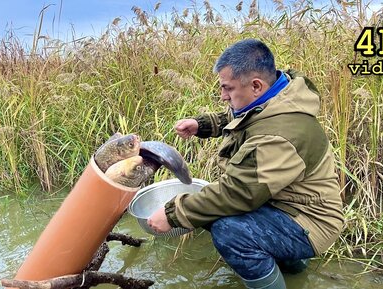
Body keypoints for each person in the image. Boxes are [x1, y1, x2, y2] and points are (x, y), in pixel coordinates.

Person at [147, 38, 344, 289]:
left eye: (227, 89)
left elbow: (237, 194)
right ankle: (293, 270)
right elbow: (245, 115)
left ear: (256, 86)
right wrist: (203, 125)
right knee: (212, 210)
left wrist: (173, 214)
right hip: (283, 203)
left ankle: (285, 267)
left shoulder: (279, 136)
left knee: (229, 231)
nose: (222, 96)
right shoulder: (278, 96)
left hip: (310, 221)